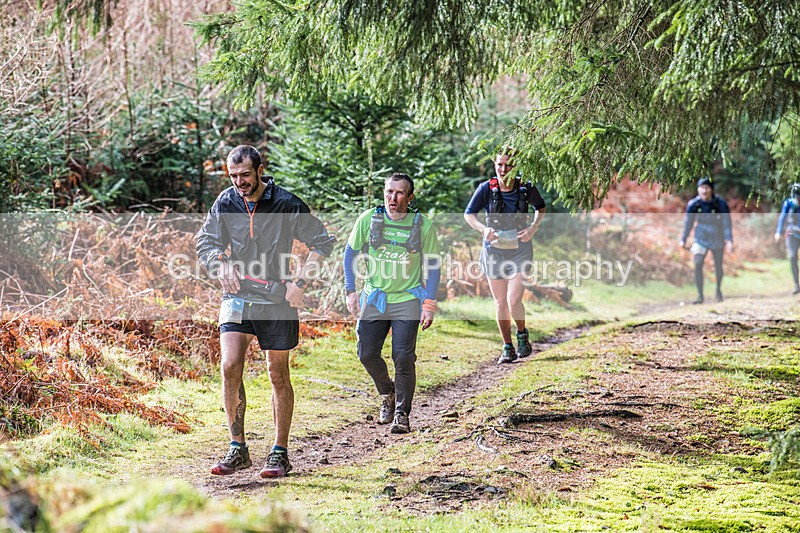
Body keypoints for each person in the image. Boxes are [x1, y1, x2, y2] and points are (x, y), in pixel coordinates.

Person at [196, 145, 335, 478]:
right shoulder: (226, 203)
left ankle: (279, 453)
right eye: (233, 176)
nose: (239, 182)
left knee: (277, 374)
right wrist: (219, 262)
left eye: (245, 174)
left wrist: (300, 282)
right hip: (238, 296)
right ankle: (237, 448)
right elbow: (206, 242)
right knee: (229, 366)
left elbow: (322, 242)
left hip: (277, 299)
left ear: (260, 170)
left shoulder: (286, 203)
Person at [343, 173, 441, 434]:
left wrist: (429, 303)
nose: (392, 198)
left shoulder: (423, 226)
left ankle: (401, 413)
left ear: (410, 197)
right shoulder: (368, 220)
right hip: (375, 297)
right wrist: (350, 291)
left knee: (403, 356)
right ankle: (387, 392)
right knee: (366, 354)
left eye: (399, 193)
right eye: (389, 192)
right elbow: (350, 253)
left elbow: (433, 266)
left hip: (408, 298)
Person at [463, 150, 547, 364]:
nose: (503, 169)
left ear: (515, 167)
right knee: (500, 303)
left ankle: (522, 335)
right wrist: (483, 230)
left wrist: (533, 228)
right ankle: (507, 347)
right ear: (495, 165)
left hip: (520, 250)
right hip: (494, 251)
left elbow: (541, 207)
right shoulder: (486, 188)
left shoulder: (525, 187)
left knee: (513, 299)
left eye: (508, 165)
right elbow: (469, 214)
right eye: (500, 164)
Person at [680, 176, 733, 304]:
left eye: (707, 188)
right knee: (698, 264)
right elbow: (689, 223)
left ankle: (718, 291)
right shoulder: (694, 204)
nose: (704, 191)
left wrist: (729, 240)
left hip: (717, 236)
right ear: (698, 190)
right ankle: (700, 295)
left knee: (718, 265)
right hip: (700, 237)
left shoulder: (720, 203)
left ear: (711, 189)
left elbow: (727, 222)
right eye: (702, 188)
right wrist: (684, 239)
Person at [773, 183, 800, 295]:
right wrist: (778, 232)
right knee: (792, 257)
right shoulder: (788, 203)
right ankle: (796, 285)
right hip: (792, 234)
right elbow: (782, 217)